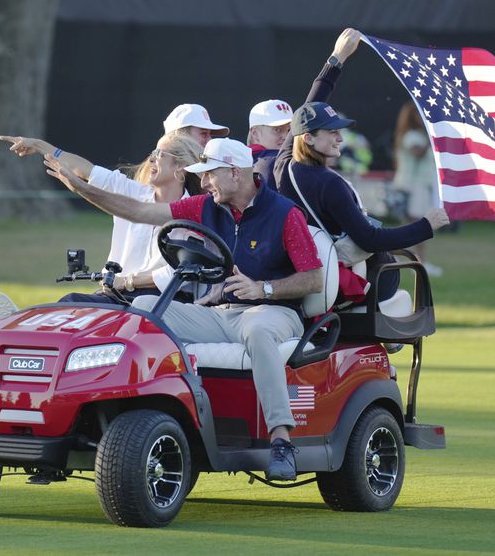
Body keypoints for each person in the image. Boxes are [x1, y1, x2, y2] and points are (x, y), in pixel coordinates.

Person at [44, 138, 323, 482]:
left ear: (235, 174)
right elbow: (138, 211)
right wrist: (81, 188)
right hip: (221, 313)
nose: (203, 183)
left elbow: (314, 279)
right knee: (145, 307)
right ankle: (135, 413)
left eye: (210, 175)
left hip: (273, 312)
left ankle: (281, 441)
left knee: (258, 331)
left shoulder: (284, 214)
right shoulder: (206, 206)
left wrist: (263, 288)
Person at [272, 29, 450, 305]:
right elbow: (370, 239)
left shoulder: (283, 166)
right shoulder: (328, 183)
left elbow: (309, 107)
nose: (340, 137)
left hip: (312, 274)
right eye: (331, 132)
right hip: (357, 283)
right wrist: (427, 225)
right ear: (308, 138)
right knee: (397, 280)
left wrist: (337, 58)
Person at [0, 131, 203, 313]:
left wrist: (127, 282)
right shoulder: (133, 192)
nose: (150, 160)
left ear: (181, 166)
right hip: (121, 295)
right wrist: (39, 145)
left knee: (73, 304)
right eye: (152, 154)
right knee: (70, 305)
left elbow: (179, 272)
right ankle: (25, 325)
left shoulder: (194, 211)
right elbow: (86, 170)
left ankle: (25, 325)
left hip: (163, 301)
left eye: (159, 155)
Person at [392, 101, 442, 276]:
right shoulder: (411, 135)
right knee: (419, 225)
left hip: (419, 186)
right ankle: (421, 262)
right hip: (413, 187)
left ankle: (407, 259)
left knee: (411, 224)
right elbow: (417, 153)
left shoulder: (416, 134)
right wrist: (431, 138)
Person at [162, 103, 229, 147]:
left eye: (210, 134)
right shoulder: (160, 167)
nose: (209, 140)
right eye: (203, 133)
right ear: (180, 136)